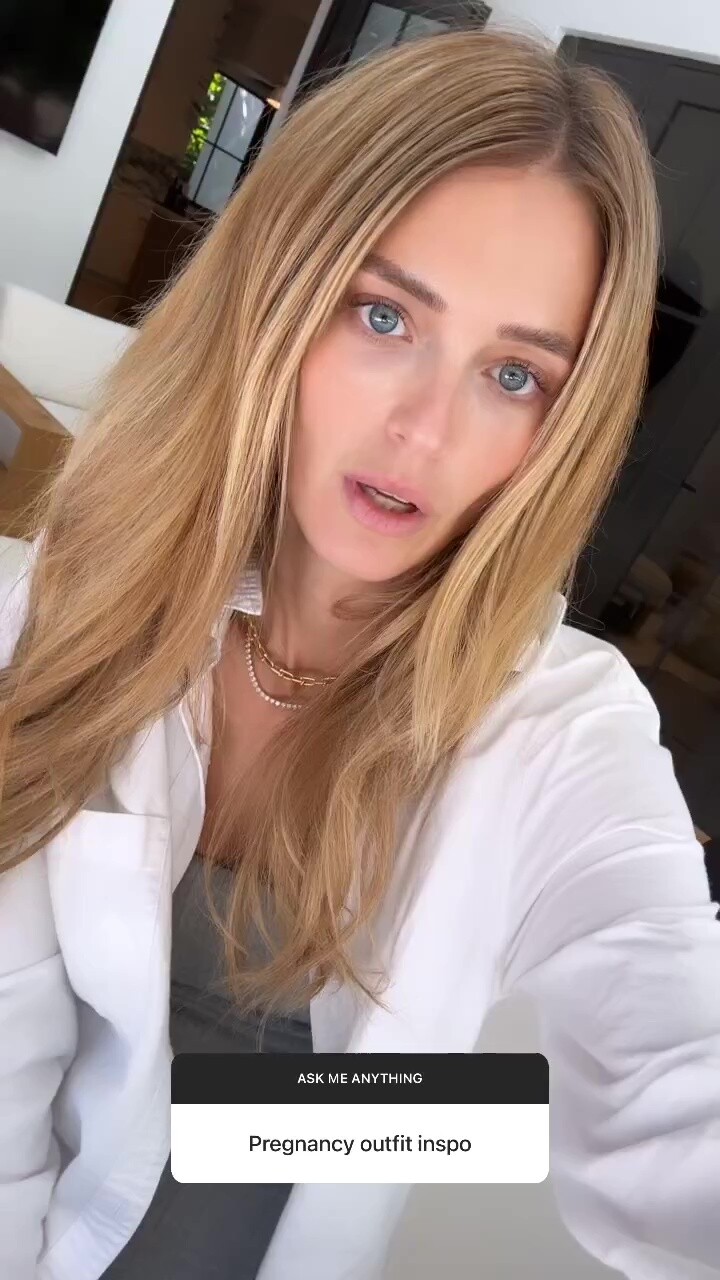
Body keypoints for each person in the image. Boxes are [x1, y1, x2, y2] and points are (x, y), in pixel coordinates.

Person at [0, 26, 718, 1280]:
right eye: (384, 315)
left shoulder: (563, 724)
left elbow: (682, 1093)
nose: (425, 431)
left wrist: (376, 1123)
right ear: (275, 294)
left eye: (514, 374)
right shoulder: (76, 588)